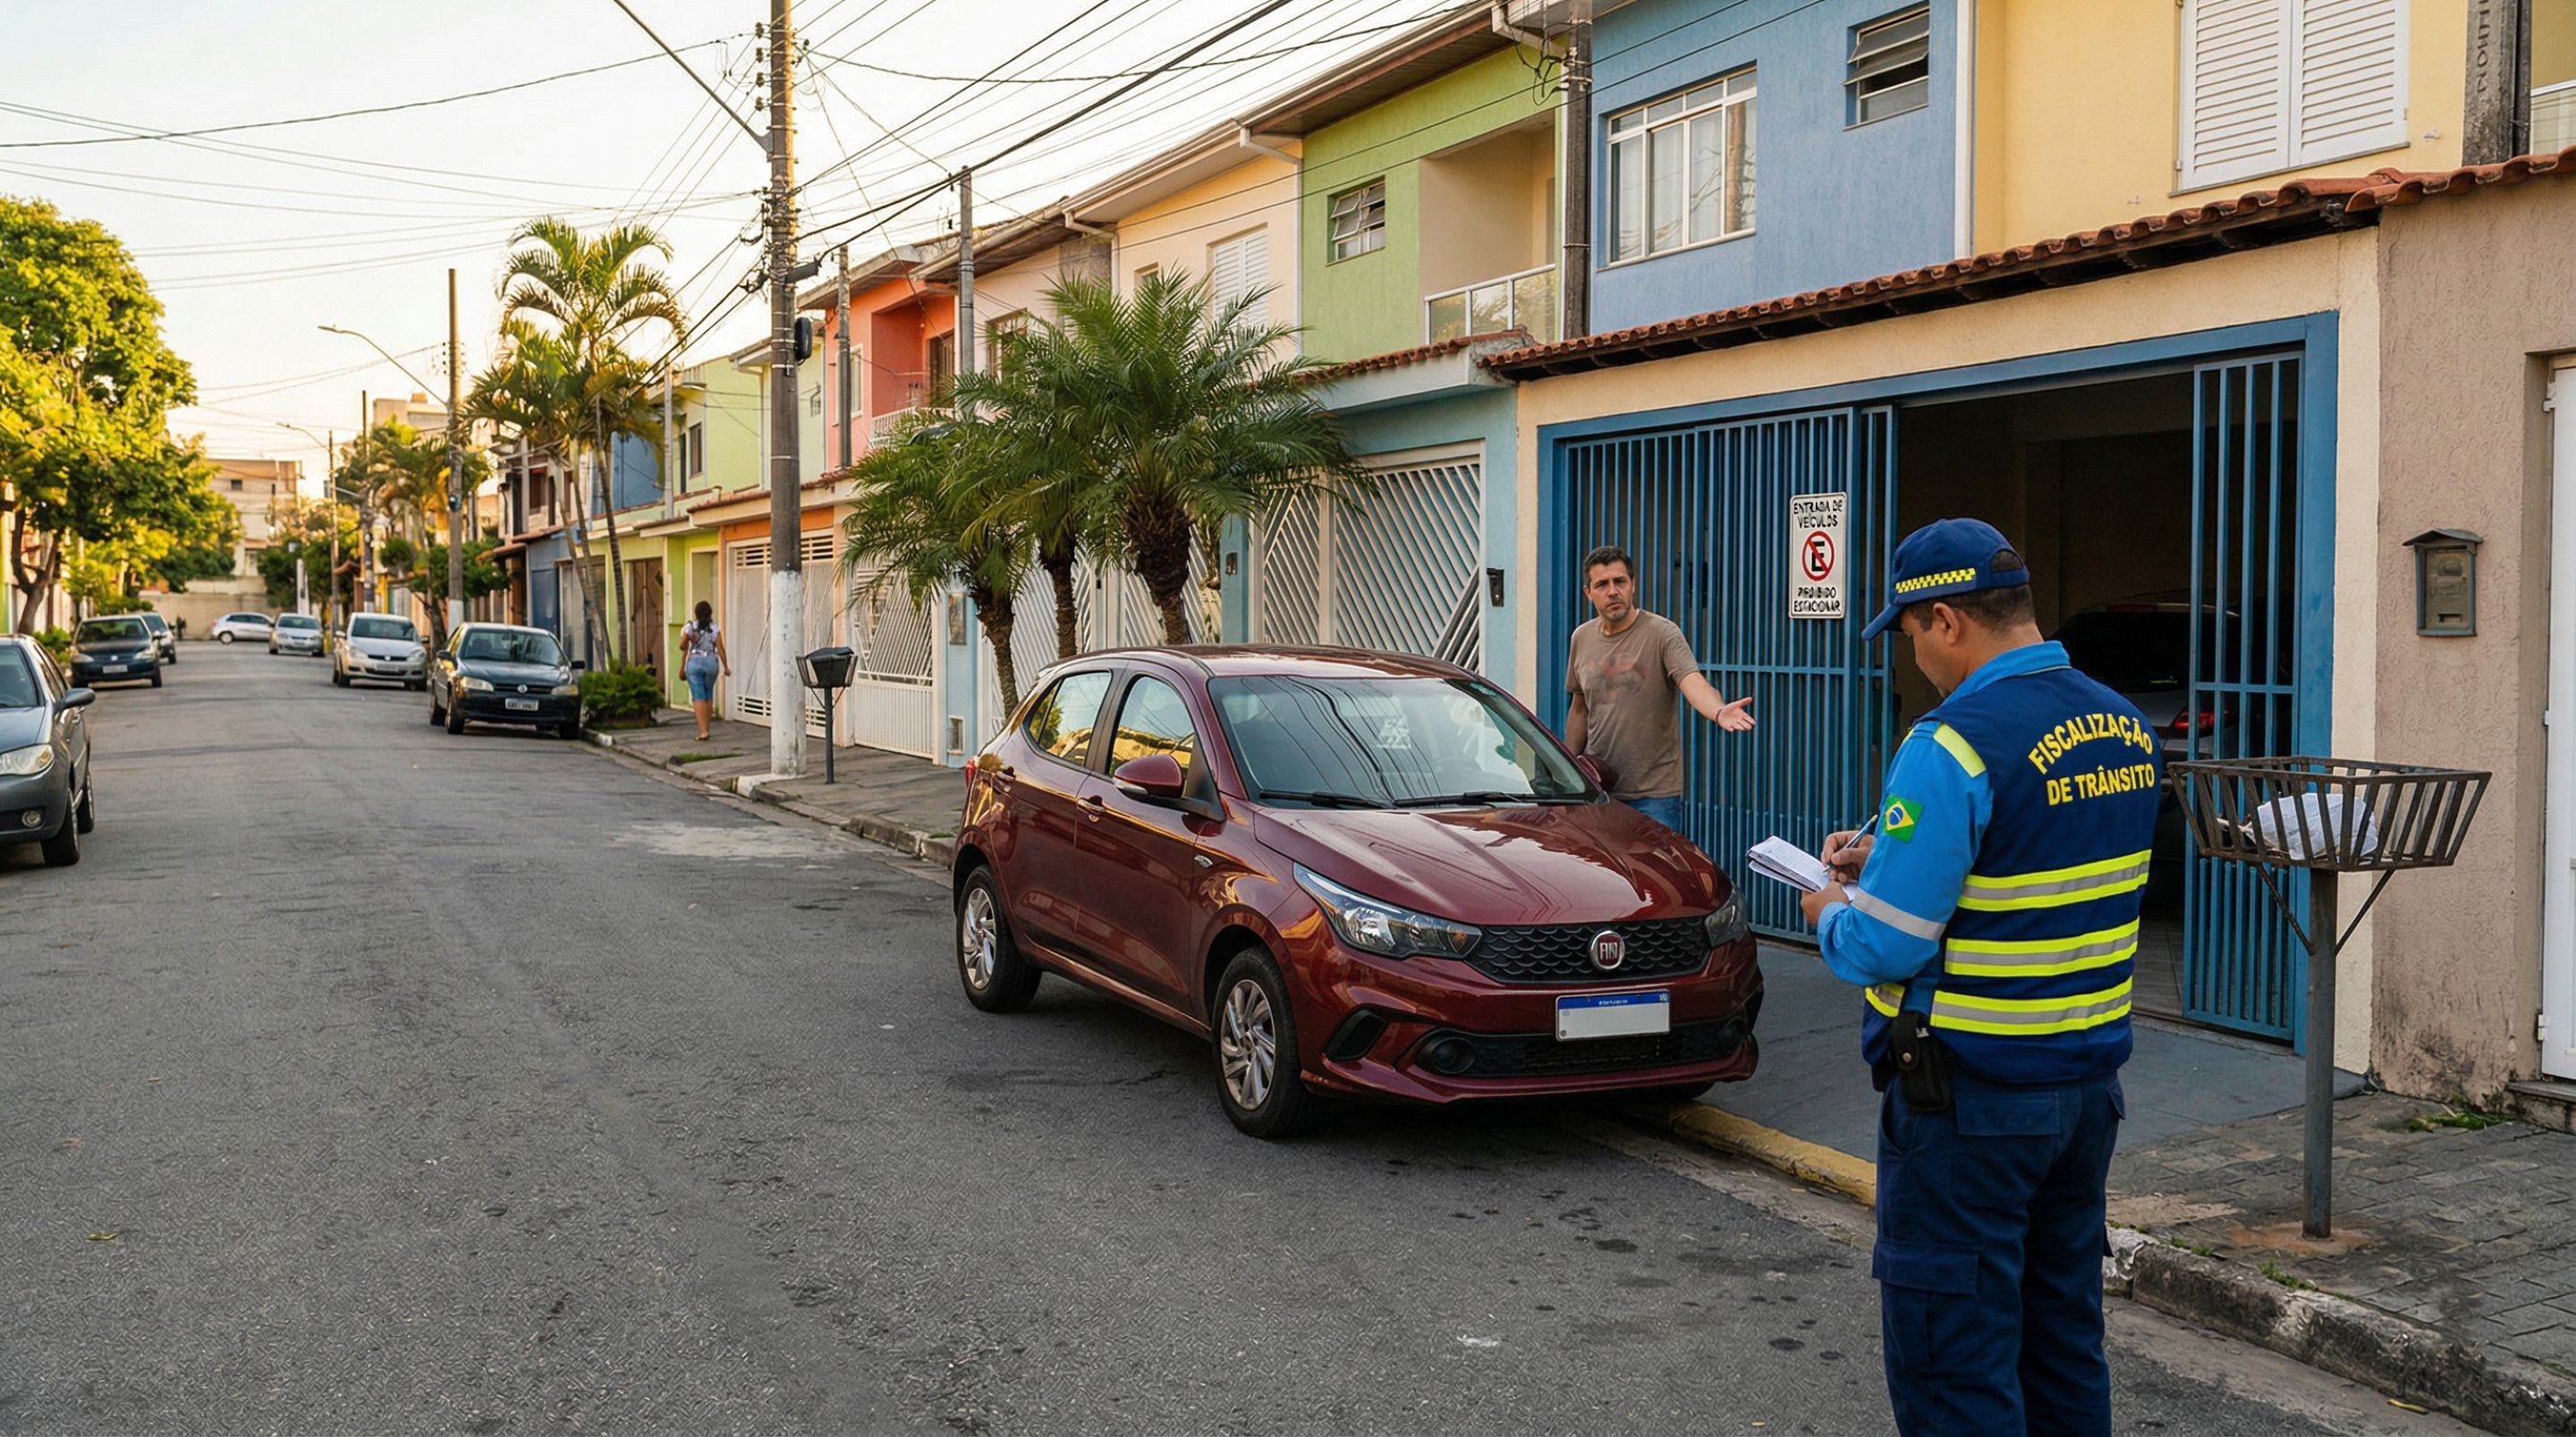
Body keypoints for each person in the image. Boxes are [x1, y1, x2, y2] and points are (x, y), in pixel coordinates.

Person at [1796, 518, 2159, 1436]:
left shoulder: (1950, 741)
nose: (1915, 655)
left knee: (1955, 1362)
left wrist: (1832, 908)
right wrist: (1889, 851)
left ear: (1948, 618)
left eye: (1912, 632)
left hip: (1968, 1109)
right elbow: (2034, 863)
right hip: (2083, 1095)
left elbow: (1886, 948)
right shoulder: (2122, 721)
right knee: (2061, 1340)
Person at [1563, 544, 1754, 833]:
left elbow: (1692, 681)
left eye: (1620, 582)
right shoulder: (1582, 638)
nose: (1613, 591)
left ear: (1633, 585)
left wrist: (1717, 711)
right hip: (1599, 791)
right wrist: (1566, 770)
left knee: (1655, 876)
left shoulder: (1662, 633)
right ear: (1588, 593)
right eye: (1602, 585)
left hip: (1654, 796)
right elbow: (1579, 710)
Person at [680, 600, 729, 742]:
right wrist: (726, 666)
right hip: (711, 662)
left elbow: (682, 646)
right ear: (710, 613)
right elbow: (720, 648)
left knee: (698, 695)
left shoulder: (690, 627)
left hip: (695, 661)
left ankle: (703, 731)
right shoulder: (715, 628)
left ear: (696, 613)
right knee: (708, 694)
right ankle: (706, 728)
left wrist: (687, 638)